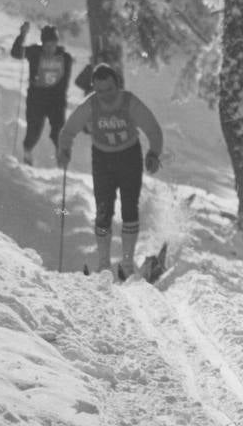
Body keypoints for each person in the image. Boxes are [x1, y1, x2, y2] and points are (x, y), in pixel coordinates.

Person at [55, 64, 164, 276]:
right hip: (102, 159)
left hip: (129, 157)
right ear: (94, 88)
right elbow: (69, 129)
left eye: (109, 89)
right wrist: (64, 149)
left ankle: (126, 264)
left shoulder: (129, 102)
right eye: (99, 90)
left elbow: (153, 129)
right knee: (103, 211)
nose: (105, 95)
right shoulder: (91, 105)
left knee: (129, 208)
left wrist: (154, 153)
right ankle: (104, 264)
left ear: (117, 86)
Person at [10, 23, 74, 165]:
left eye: (53, 44)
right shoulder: (35, 52)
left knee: (59, 131)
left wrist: (61, 100)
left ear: (57, 43)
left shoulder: (65, 58)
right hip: (36, 99)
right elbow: (15, 53)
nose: (49, 48)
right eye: (47, 44)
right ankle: (27, 151)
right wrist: (22, 35)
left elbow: (65, 81)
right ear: (42, 43)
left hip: (56, 100)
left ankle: (61, 158)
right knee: (34, 131)